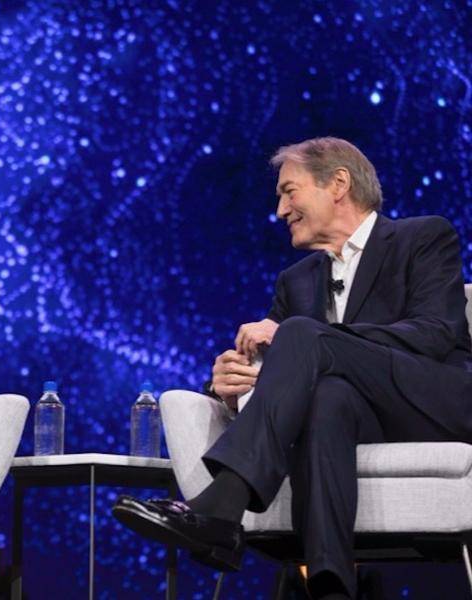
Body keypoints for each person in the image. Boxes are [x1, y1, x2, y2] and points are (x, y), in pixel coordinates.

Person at [113, 137, 472, 599]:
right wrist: (227, 387)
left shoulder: (422, 237)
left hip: (431, 404)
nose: (281, 210)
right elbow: (282, 371)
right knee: (328, 398)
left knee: (302, 335)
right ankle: (330, 585)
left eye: (289, 191)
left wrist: (316, 338)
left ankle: (223, 504)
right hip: (353, 418)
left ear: (338, 184)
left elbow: (435, 333)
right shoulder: (296, 281)